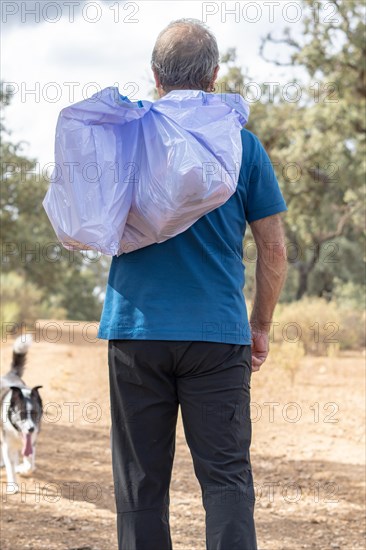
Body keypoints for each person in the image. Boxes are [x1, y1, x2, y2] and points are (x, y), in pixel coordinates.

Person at [98, 18, 288, 550]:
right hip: (217, 335)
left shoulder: (126, 139)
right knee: (227, 481)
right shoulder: (244, 149)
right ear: (214, 77)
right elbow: (273, 250)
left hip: (135, 330)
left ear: (155, 77)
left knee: (141, 487)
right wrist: (261, 326)